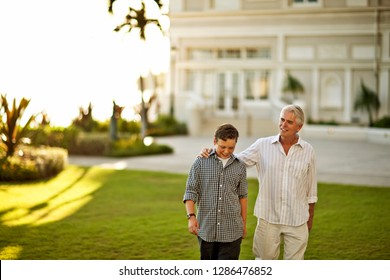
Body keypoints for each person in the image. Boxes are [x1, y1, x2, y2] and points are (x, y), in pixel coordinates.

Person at [200, 104, 317, 260]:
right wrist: (213, 152)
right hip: (268, 219)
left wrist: (309, 219)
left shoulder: (308, 151)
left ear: (299, 126)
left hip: (297, 220)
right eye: (282, 120)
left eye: (289, 122)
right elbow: (237, 161)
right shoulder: (263, 145)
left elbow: (311, 191)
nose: (283, 125)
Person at [183, 123, 248, 260]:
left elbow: (243, 196)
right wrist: (191, 217)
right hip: (206, 230)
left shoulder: (240, 166)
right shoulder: (200, 162)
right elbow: (190, 191)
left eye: (231, 148)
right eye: (222, 147)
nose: (226, 151)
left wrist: (243, 224)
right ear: (214, 141)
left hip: (232, 231)